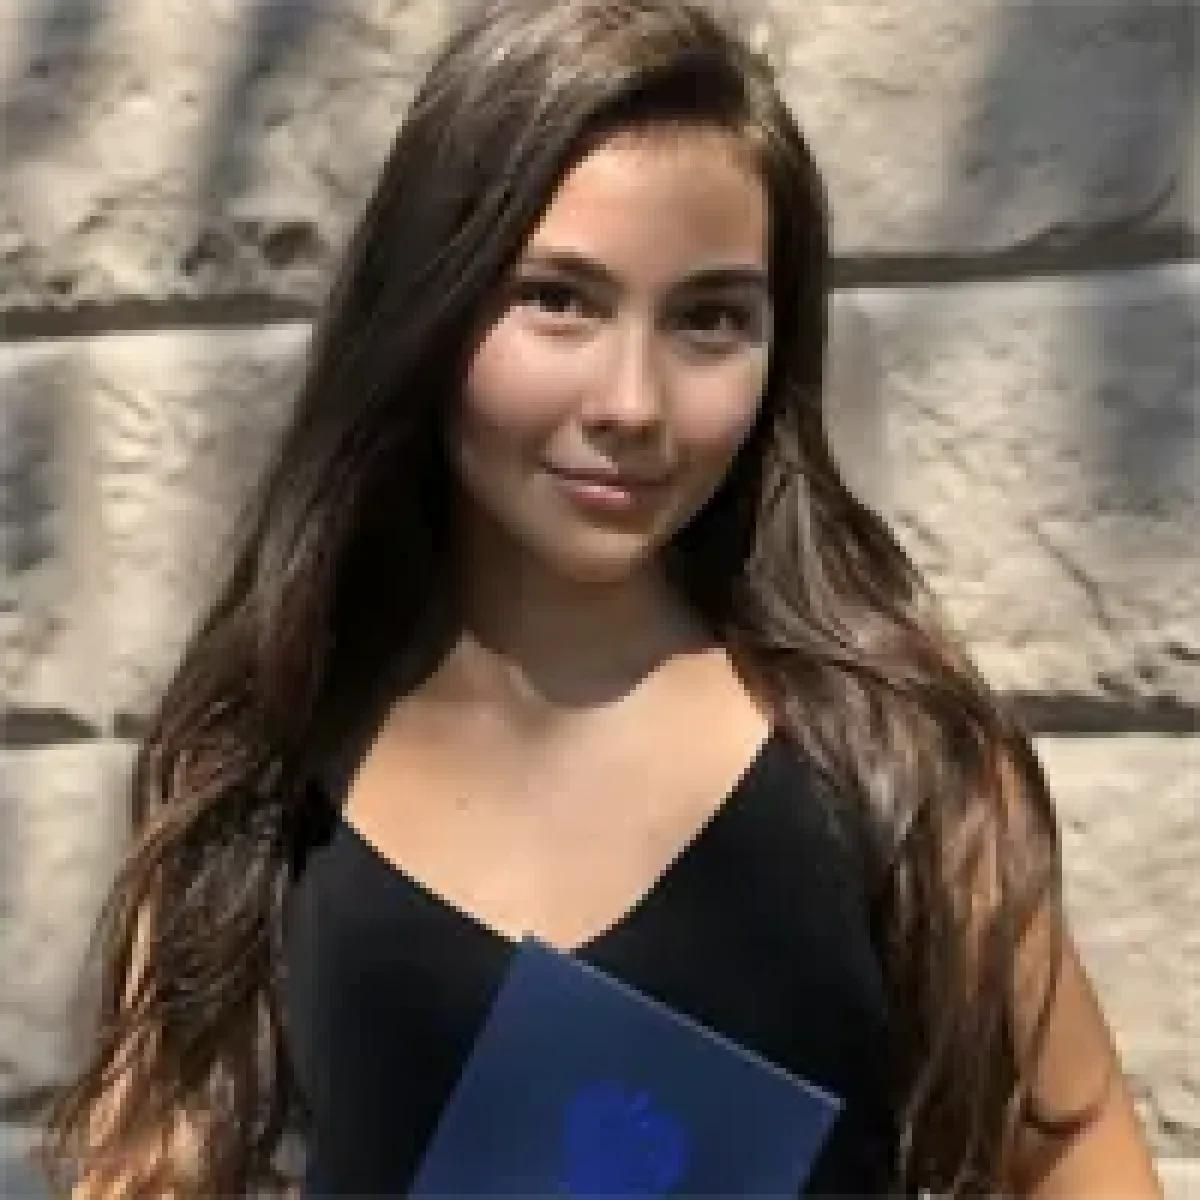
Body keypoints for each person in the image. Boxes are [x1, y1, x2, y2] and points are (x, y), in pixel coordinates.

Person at [42, 1, 1164, 1197]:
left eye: (710, 319)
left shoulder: (894, 761)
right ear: (427, 306)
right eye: (559, 298)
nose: (632, 402)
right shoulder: (257, 770)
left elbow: (1073, 1144)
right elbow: (146, 1162)